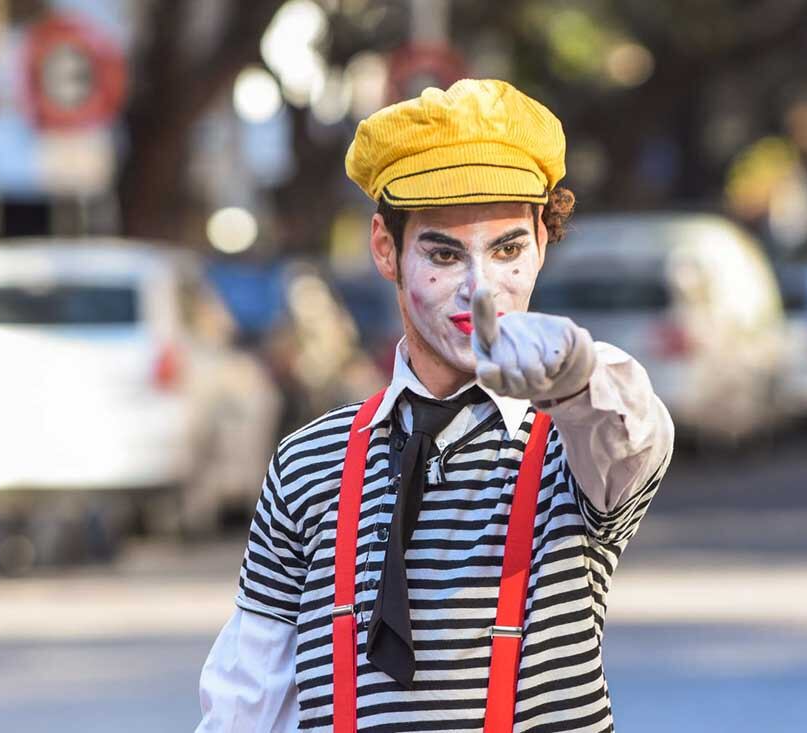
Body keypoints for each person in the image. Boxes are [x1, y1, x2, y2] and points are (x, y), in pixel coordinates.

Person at [197, 78, 674, 733]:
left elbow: (634, 431)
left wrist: (575, 369)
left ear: (543, 237)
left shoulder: (571, 445)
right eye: (444, 253)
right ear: (385, 249)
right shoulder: (308, 462)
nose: (481, 288)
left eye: (508, 249)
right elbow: (243, 704)